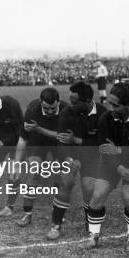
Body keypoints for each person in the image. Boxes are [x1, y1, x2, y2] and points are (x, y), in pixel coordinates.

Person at [86, 82, 129, 251]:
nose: (110, 107)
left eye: (115, 105)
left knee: (128, 197)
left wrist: (120, 150)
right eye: (109, 102)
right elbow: (105, 151)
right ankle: (93, 236)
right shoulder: (105, 119)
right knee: (97, 195)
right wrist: (119, 168)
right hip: (111, 163)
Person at [46, 81, 107, 240]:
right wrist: (67, 159)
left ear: (87, 102)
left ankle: (90, 222)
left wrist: (78, 141)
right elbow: (61, 141)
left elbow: (103, 144)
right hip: (71, 155)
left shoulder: (102, 114)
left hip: (92, 156)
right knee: (66, 183)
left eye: (74, 101)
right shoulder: (66, 113)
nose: (70, 104)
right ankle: (56, 225)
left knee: (89, 187)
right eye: (70, 100)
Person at [14, 87, 68, 226]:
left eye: (53, 108)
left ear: (58, 102)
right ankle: (27, 214)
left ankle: (57, 212)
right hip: (37, 140)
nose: (50, 111)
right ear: (40, 102)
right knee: (33, 172)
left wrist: (38, 128)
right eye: (46, 108)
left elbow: (62, 136)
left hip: (58, 142)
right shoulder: (32, 110)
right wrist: (16, 164)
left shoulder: (66, 110)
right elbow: (23, 139)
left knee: (59, 173)